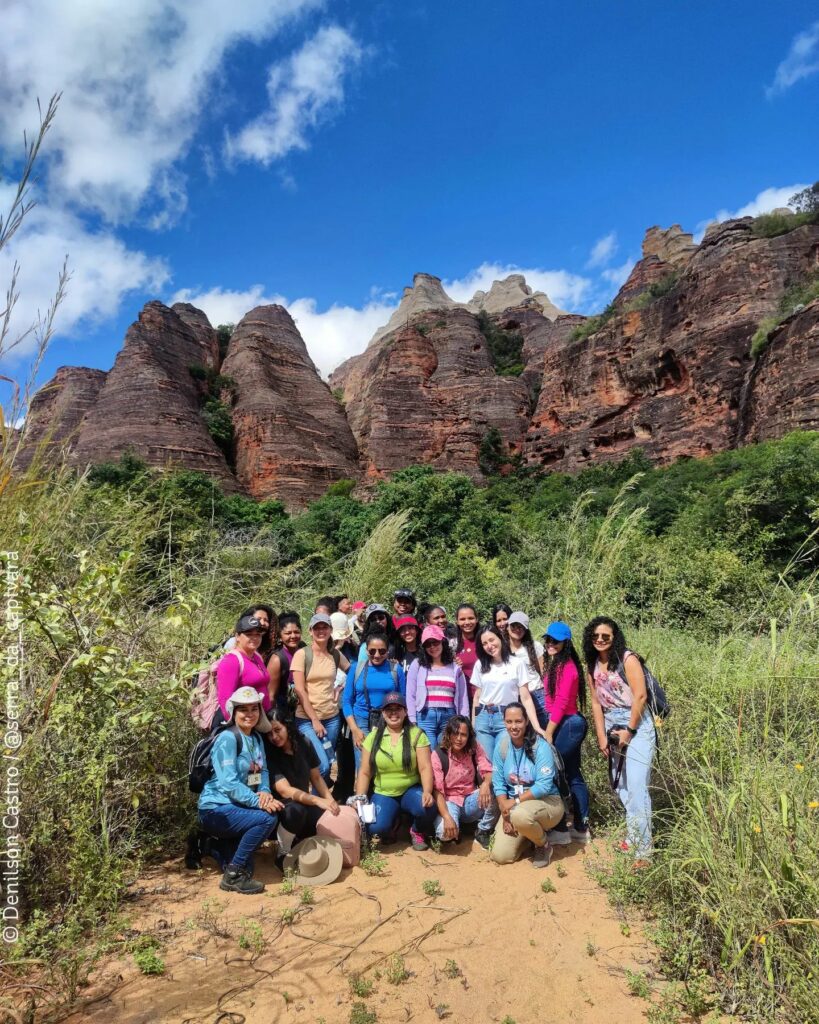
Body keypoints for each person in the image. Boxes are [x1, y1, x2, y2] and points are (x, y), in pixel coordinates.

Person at [583, 616, 655, 867]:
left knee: (636, 786)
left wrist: (629, 731)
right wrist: (602, 735)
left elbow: (641, 696)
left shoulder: (627, 659)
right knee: (621, 786)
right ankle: (634, 836)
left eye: (606, 636)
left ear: (615, 637)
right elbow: (595, 702)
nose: (600, 640)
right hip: (612, 723)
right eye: (596, 636)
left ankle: (644, 853)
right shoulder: (592, 664)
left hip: (637, 724)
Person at [198, 686, 283, 894]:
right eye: (243, 710)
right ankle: (233, 875)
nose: (249, 714)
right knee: (267, 819)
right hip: (215, 809)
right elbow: (229, 783)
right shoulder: (228, 738)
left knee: (249, 866)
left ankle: (212, 846)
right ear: (234, 713)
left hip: (237, 807)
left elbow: (263, 770)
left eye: (254, 709)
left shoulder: (256, 738)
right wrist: (259, 802)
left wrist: (264, 791)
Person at [352, 691, 436, 850]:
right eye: (389, 709)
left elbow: (425, 767)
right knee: (375, 829)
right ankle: (394, 823)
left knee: (427, 807)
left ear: (405, 711)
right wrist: (360, 797)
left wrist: (427, 791)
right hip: (384, 792)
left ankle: (416, 830)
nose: (393, 713)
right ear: (383, 713)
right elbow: (364, 771)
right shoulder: (373, 737)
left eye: (398, 709)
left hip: (410, 789)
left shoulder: (416, 734)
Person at [489, 702, 563, 868]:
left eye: (518, 721)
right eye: (509, 722)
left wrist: (513, 804)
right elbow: (498, 782)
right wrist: (505, 812)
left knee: (520, 815)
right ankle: (530, 836)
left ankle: (543, 845)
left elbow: (544, 786)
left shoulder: (540, 746)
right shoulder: (502, 746)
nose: (513, 726)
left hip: (548, 802)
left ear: (527, 721)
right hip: (514, 808)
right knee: (501, 856)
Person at [541, 621, 590, 844]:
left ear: (565, 643)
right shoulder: (556, 664)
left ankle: (560, 828)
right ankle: (580, 827)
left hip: (568, 724)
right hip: (566, 724)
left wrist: (549, 732)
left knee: (554, 772)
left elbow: (561, 703)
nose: (551, 644)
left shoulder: (567, 667)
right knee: (571, 773)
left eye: (556, 641)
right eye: (548, 639)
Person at [266, 710, 341, 853]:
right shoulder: (269, 754)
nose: (274, 737)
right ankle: (282, 852)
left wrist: (330, 802)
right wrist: (317, 800)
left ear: (287, 726)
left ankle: (296, 839)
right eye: (269, 734)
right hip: (281, 811)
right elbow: (285, 790)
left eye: (277, 730)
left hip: (304, 803)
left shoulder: (304, 742)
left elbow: (317, 778)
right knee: (295, 811)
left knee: (325, 819)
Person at [291, 614, 351, 784]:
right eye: (317, 627)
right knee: (322, 766)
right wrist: (314, 720)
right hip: (307, 720)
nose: (321, 631)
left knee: (328, 762)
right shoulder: (302, 655)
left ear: (331, 630)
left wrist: (342, 687)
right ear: (310, 631)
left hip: (331, 718)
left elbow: (353, 673)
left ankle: (319, 807)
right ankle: (314, 803)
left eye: (324, 627)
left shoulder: (335, 655)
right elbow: (300, 690)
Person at [471, 625, 546, 761]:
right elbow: (477, 697)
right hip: (483, 718)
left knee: (505, 759)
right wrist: (473, 725)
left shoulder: (516, 663)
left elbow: (525, 697)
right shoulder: (480, 665)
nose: (489, 645)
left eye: (492, 640)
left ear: (500, 638)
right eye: (484, 643)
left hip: (505, 719)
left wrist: (536, 726)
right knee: (486, 764)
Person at [342, 631, 406, 770]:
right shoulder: (356, 668)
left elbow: (403, 699)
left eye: (382, 651)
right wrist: (354, 729)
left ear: (388, 651)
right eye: (372, 651)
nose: (377, 655)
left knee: (386, 762)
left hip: (389, 720)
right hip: (361, 719)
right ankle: (363, 792)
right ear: (366, 650)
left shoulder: (395, 669)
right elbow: (347, 701)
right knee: (364, 764)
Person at [431, 715, 497, 848]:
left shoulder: (474, 748)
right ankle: (458, 826)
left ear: (469, 736)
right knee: (445, 833)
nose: (459, 739)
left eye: (463, 735)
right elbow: (437, 790)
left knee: (495, 788)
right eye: (455, 734)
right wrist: (447, 817)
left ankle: (483, 829)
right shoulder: (438, 754)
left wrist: (485, 784)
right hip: (449, 801)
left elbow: (487, 770)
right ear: (448, 734)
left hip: (470, 799)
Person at [406, 625, 469, 747]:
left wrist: (464, 720)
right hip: (425, 716)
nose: (432, 647)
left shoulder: (455, 667)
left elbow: (462, 697)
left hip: (449, 717)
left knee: (445, 754)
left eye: (435, 643)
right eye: (428, 644)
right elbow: (410, 694)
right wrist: (412, 719)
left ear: (443, 642)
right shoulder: (418, 665)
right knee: (428, 753)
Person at [215, 614, 272, 728]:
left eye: (257, 634)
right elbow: (225, 700)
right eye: (249, 634)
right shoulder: (231, 661)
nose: (254, 638)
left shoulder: (256, 656)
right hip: (242, 724)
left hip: (257, 721)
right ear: (237, 636)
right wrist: (240, 731)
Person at [506, 612, 546, 725]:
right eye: (514, 626)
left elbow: (544, 672)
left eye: (521, 627)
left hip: (537, 695)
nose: (517, 630)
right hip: (516, 699)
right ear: (508, 627)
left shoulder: (535, 646)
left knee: (543, 732)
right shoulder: (502, 650)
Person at [267, 611, 304, 715]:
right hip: (284, 712)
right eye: (288, 633)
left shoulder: (304, 650)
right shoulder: (277, 659)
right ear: (280, 635)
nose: (293, 636)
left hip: (305, 710)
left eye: (296, 632)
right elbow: (271, 695)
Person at [454, 603, 481, 700]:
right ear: (456, 621)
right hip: (461, 697)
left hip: (484, 696)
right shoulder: (452, 645)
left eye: (471, 618)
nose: (467, 622)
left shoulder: (485, 641)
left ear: (477, 619)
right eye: (462, 619)